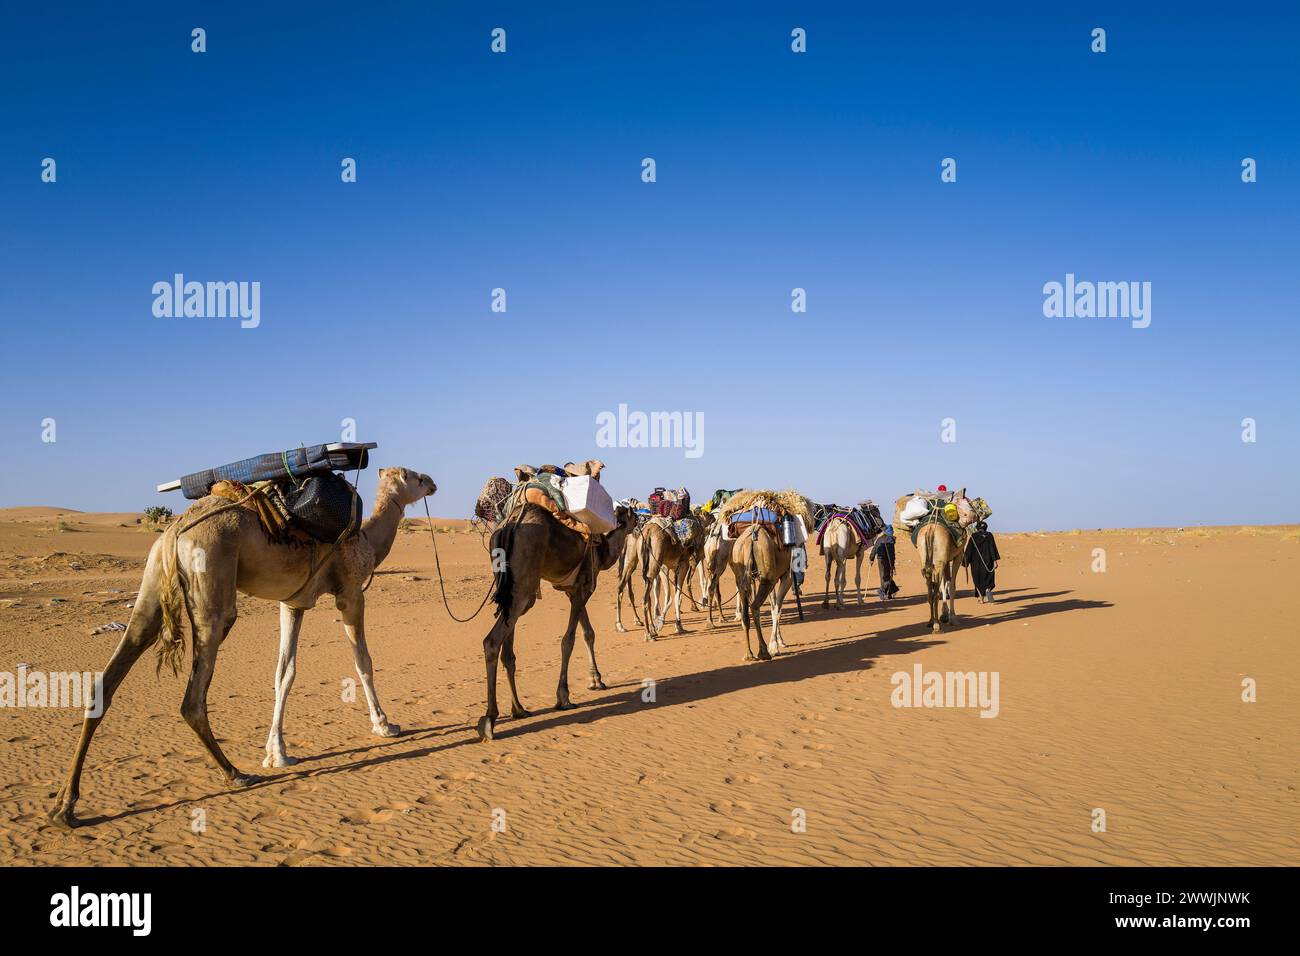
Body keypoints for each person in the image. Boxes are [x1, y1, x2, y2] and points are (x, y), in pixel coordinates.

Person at [965, 521, 1001, 602]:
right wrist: (995, 561)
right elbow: (992, 548)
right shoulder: (989, 535)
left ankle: (981, 598)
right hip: (988, 561)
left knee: (977, 580)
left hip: (975, 563)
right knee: (988, 578)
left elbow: (969, 550)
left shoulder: (973, 537)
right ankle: (988, 590)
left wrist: (965, 563)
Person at [869, 525, 900, 601]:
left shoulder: (880, 538)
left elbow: (874, 549)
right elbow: (891, 554)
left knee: (885, 576)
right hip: (886, 560)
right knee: (885, 576)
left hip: (880, 560)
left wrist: (871, 558)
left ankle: (890, 592)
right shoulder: (890, 539)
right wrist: (892, 564)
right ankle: (882, 591)